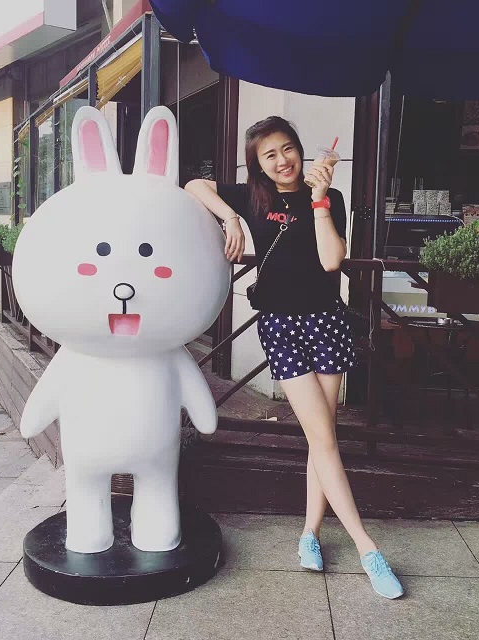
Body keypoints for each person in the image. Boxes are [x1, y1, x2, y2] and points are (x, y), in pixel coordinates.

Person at [185, 116, 404, 600]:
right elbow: (194, 185)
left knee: (321, 438)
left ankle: (309, 533)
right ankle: (367, 548)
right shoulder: (253, 197)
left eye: (288, 149)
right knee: (323, 438)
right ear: (257, 164)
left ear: (300, 150)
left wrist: (320, 200)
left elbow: (331, 260)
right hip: (281, 327)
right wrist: (231, 217)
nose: (282, 160)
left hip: (326, 323)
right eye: (270, 155)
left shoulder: (330, 197)